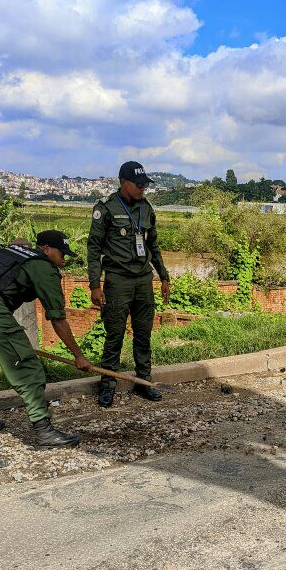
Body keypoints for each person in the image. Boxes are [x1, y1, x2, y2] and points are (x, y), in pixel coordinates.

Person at [0, 230, 90, 447]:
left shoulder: (12, 253)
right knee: (28, 369)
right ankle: (44, 431)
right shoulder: (43, 266)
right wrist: (79, 356)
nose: (64, 258)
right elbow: (57, 318)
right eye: (61, 252)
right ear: (45, 249)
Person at [87, 160, 170, 407]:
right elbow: (93, 249)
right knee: (115, 334)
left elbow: (153, 246)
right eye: (139, 184)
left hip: (144, 280)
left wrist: (164, 277)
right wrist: (94, 285)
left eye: (146, 184)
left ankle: (144, 381)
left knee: (143, 334)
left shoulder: (147, 209)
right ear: (124, 183)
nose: (143, 188)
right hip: (118, 280)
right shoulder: (107, 209)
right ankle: (108, 385)